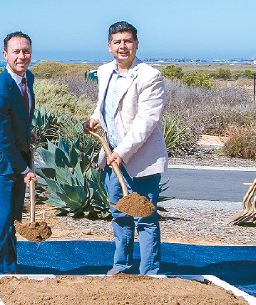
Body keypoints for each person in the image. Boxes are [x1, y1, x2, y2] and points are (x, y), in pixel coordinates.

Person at [83, 21, 167, 275]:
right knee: (119, 214)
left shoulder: (149, 75)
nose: (123, 46)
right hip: (112, 155)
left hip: (140, 157)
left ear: (136, 44)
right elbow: (104, 104)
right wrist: (94, 119)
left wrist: (123, 152)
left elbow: (147, 121)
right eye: (117, 42)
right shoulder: (105, 71)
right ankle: (122, 266)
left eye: (127, 41)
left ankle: (149, 272)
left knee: (145, 217)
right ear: (109, 47)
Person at [0, 32, 37, 274]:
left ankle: (9, 272)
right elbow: (2, 138)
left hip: (17, 155)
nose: (22, 56)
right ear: (5, 55)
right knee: (0, 222)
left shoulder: (27, 78)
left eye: (26, 51)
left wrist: (27, 132)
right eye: (16, 51)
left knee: (13, 219)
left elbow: (22, 113)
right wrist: (24, 169)